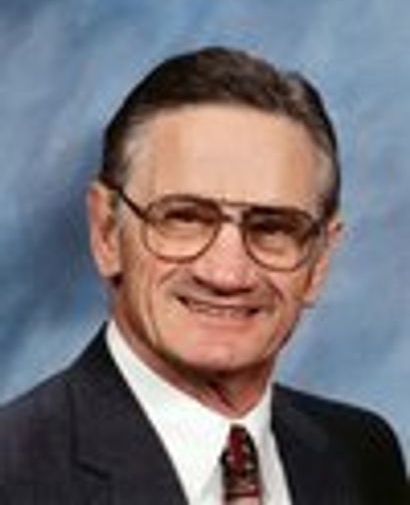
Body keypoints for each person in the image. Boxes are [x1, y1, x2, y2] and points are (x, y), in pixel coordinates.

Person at [0, 46, 407, 505]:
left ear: (320, 258)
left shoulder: (362, 457)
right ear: (107, 232)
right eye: (185, 218)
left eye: (272, 227)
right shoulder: (14, 474)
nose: (227, 274)